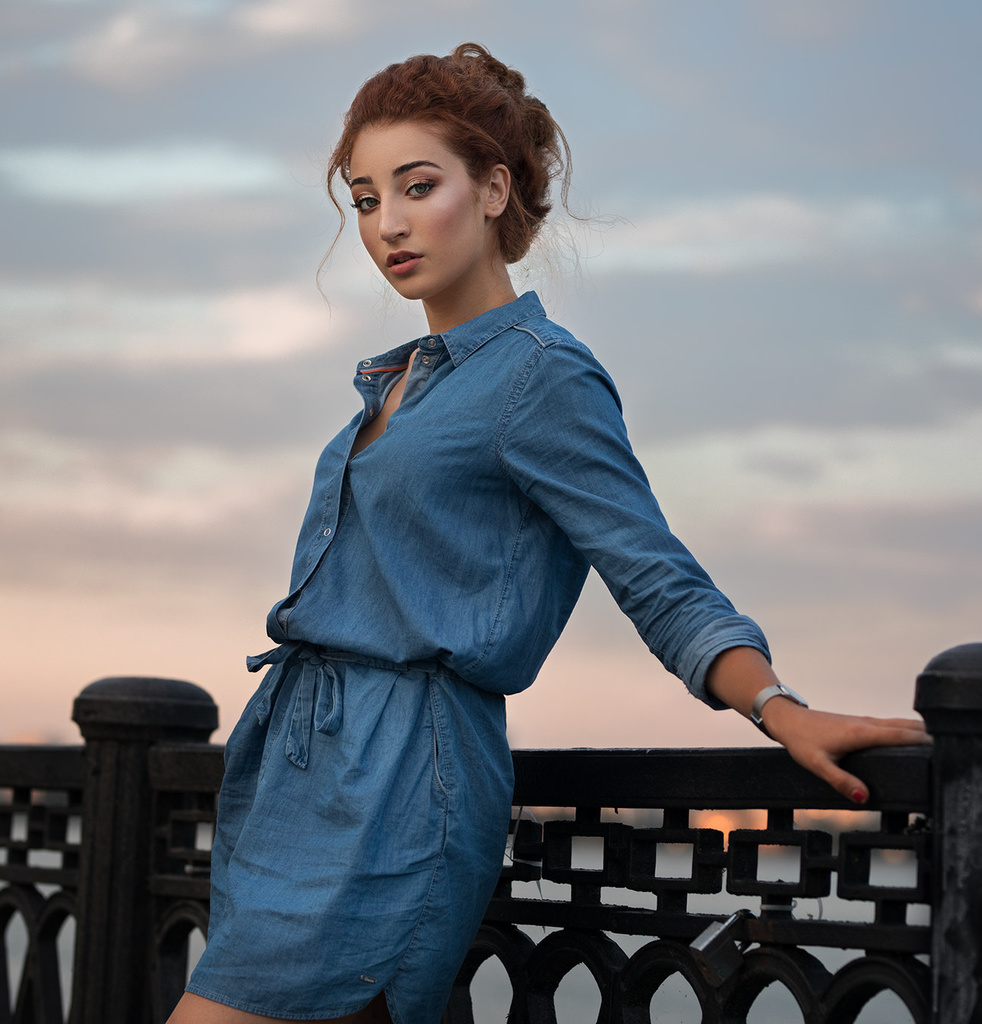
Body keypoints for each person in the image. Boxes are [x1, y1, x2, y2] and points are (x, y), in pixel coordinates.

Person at [167, 42, 928, 1024]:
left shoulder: (541, 377)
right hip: (295, 772)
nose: (386, 223)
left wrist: (777, 705)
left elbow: (653, 574)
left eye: (415, 186)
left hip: (403, 772)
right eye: (362, 199)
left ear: (491, 191)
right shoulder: (398, 380)